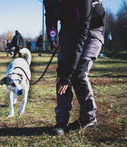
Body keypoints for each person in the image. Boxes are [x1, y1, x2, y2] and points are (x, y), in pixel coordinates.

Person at [44, 0, 106, 135]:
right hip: (67, 30)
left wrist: (68, 74)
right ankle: (61, 122)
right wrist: (52, 38)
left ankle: (88, 117)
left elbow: (81, 35)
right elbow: (50, 17)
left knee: (78, 74)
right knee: (61, 75)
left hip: (91, 29)